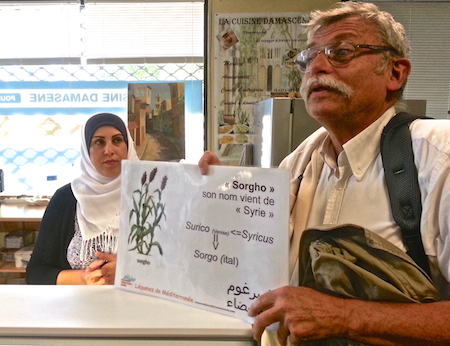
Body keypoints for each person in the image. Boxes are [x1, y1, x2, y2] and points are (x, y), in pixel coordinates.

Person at [199, 2, 450, 345]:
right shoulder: (298, 163)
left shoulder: (438, 157)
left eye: (341, 52)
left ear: (395, 73)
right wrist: (222, 201)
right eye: (308, 57)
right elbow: (255, 264)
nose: (316, 66)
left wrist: (345, 317)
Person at [26, 113, 138, 285]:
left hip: (140, 307)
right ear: (86, 150)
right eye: (99, 142)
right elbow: (36, 273)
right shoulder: (66, 199)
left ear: (128, 146)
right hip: (79, 307)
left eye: (117, 140)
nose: (109, 150)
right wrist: (83, 278)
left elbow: (178, 267)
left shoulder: (151, 195)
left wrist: (130, 272)